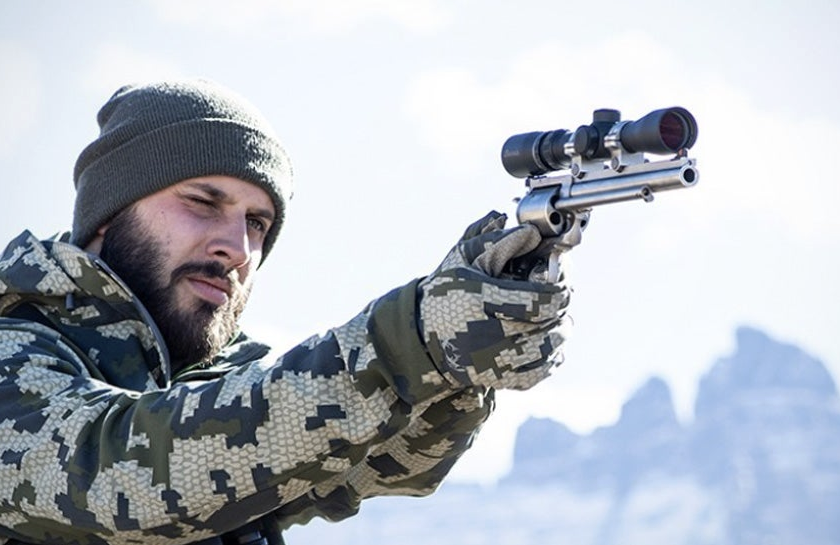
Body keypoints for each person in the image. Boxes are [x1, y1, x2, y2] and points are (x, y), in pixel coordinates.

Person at [0, 79, 570, 545]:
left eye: (257, 224)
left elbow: (386, 462)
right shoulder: (14, 352)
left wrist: (461, 359)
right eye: (202, 203)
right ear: (106, 215)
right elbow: (118, 475)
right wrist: (411, 336)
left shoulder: (219, 388)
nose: (238, 248)